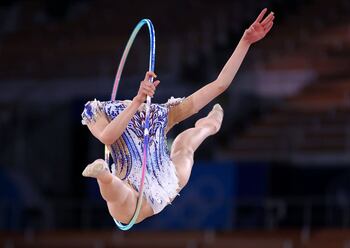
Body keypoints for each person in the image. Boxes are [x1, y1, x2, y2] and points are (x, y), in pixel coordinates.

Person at [81, 8, 274, 224]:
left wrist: (245, 42)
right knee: (122, 205)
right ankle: (104, 175)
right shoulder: (97, 111)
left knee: (184, 148)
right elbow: (108, 137)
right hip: (132, 189)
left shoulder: (162, 112)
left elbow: (219, 85)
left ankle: (210, 125)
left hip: (164, 178)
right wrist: (136, 101)